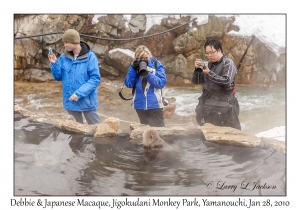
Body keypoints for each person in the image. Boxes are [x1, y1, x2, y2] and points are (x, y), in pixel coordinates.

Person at [48, 29, 101, 124]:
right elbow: (58, 77)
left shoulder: (90, 57)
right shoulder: (63, 57)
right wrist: (54, 64)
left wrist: (79, 93)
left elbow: (95, 79)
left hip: (86, 101)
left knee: (95, 130)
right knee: (75, 133)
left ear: (75, 41)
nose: (65, 45)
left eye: (66, 42)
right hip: (70, 102)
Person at [191, 39, 241, 130]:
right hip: (208, 106)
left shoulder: (228, 63)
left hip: (223, 107)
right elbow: (196, 81)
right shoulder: (208, 64)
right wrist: (196, 70)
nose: (209, 55)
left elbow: (227, 81)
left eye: (212, 52)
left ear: (219, 50)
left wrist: (209, 73)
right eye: (207, 53)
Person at [124, 45, 167, 127]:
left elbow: (161, 83)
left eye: (146, 58)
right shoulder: (134, 66)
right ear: (137, 58)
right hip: (140, 105)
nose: (145, 60)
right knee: (146, 132)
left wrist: (147, 73)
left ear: (149, 55)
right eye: (142, 58)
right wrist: (133, 69)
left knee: (159, 131)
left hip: (155, 104)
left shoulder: (156, 64)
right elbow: (129, 84)